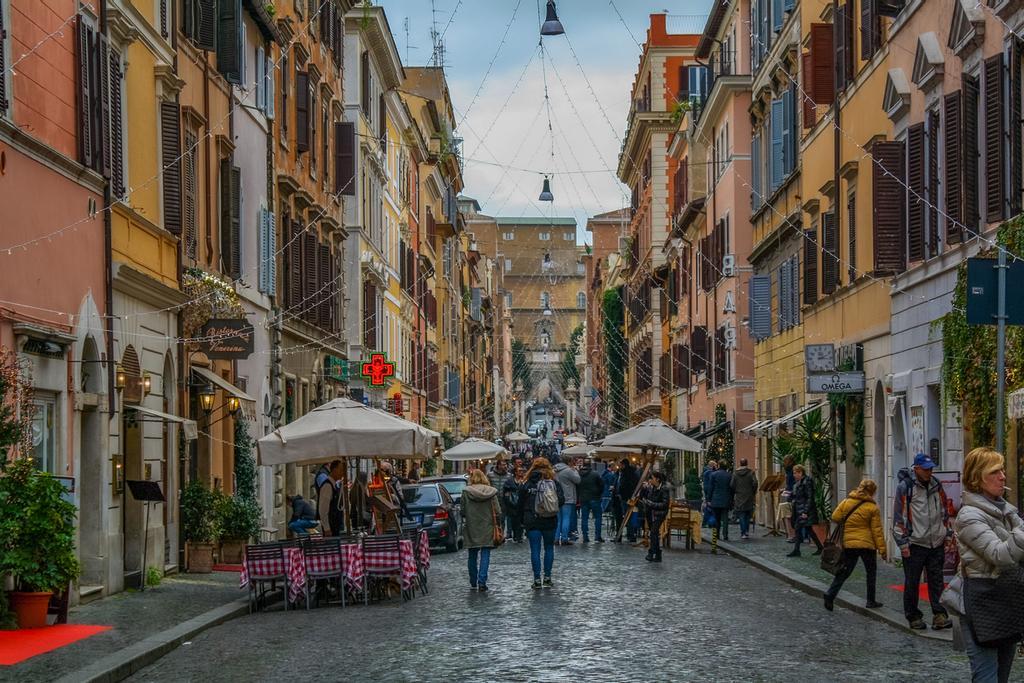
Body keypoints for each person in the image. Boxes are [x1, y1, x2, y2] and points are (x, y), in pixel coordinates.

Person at [955, 447, 1024, 682]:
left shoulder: (1006, 511)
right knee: (987, 677)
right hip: (983, 603)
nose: (1003, 477)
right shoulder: (969, 515)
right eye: (995, 472)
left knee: (1002, 676)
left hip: (1006, 599)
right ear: (977, 478)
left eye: (1002, 470)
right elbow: (999, 554)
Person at [893, 453, 953, 630]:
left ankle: (939, 615)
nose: (929, 472)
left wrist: (947, 534)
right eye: (926, 469)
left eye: (931, 469)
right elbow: (899, 518)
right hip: (915, 543)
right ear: (916, 468)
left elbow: (944, 511)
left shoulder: (936, 485)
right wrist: (903, 543)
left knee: (937, 580)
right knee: (912, 582)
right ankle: (913, 616)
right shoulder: (905, 487)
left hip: (936, 542)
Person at [823, 479, 887, 611]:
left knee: (844, 571)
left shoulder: (846, 502)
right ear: (872, 492)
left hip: (849, 544)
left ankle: (830, 594)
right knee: (871, 572)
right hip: (867, 545)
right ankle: (870, 601)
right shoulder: (872, 508)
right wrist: (882, 549)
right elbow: (877, 531)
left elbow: (835, 517)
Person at [518, 457, 565, 588]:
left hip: (532, 519)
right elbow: (561, 500)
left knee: (535, 549)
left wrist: (521, 520)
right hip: (549, 519)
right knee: (549, 548)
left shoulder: (527, 483)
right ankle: (548, 577)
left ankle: (537, 579)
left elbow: (520, 503)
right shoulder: (553, 482)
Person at [461, 470, 501, 592]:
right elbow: (498, 511)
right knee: (485, 554)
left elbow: (462, 511)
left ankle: (473, 581)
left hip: (472, 527)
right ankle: (482, 582)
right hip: (487, 526)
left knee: (472, 555)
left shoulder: (466, 492)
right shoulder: (491, 492)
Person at [787, 464, 824, 557]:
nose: (794, 475)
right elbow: (797, 495)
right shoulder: (798, 482)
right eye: (794, 473)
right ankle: (820, 547)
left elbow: (809, 497)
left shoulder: (807, 481)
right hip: (800, 509)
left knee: (799, 528)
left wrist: (805, 511)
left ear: (801, 472)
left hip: (805, 510)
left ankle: (797, 550)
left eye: (795, 473)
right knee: (807, 529)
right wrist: (790, 495)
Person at [641, 471, 671, 562]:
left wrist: (652, 504)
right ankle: (658, 555)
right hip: (651, 513)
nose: (650, 480)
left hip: (659, 514)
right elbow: (646, 498)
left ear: (657, 479)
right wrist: (644, 490)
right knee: (654, 533)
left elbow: (665, 504)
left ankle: (651, 553)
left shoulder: (664, 489)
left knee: (653, 532)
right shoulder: (652, 488)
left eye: (652, 478)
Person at [707, 460, 733, 549]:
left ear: (719, 466)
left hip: (716, 499)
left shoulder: (713, 475)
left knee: (716, 518)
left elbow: (711, 488)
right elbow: (731, 489)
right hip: (726, 499)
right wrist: (731, 499)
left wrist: (708, 499)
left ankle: (716, 535)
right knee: (725, 518)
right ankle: (725, 535)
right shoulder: (729, 475)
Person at [554, 458, 581, 545]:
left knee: (558, 519)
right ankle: (565, 538)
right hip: (567, 497)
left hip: (557, 497)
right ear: (568, 462)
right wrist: (575, 470)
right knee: (566, 518)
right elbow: (578, 480)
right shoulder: (568, 471)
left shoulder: (554, 470)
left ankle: (556, 538)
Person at [730, 458, 758, 540]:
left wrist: (735, 491)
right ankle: (746, 531)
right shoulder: (751, 472)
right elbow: (755, 482)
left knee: (741, 515)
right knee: (747, 515)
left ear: (740, 463)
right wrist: (753, 491)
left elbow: (732, 484)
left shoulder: (735, 473)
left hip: (739, 496)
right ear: (747, 463)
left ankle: (743, 532)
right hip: (749, 496)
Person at [578, 459, 604, 543]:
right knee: (598, 517)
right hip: (595, 498)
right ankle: (597, 536)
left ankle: (585, 537)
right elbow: (601, 485)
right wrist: (598, 493)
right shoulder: (595, 474)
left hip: (583, 498)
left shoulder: (579, 474)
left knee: (584, 518)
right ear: (590, 465)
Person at [316, 460, 345, 536]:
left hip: (335, 526)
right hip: (331, 528)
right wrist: (327, 528)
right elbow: (323, 510)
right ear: (334, 470)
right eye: (341, 470)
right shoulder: (327, 486)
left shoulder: (335, 485)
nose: (343, 473)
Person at [618, 458, 641, 542]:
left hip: (627, 498)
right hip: (631, 497)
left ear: (624, 465)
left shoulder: (626, 473)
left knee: (628, 516)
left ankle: (631, 535)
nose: (620, 466)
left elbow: (624, 485)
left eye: (621, 465)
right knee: (630, 516)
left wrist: (621, 493)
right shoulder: (633, 473)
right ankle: (631, 534)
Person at [503, 465, 526, 543]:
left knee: (521, 521)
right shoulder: (509, 481)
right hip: (512, 505)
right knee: (513, 521)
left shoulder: (525, 481)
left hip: (522, 504)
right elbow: (506, 492)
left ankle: (519, 536)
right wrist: (508, 500)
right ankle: (515, 535)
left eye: (522, 471)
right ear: (515, 472)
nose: (521, 472)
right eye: (519, 471)